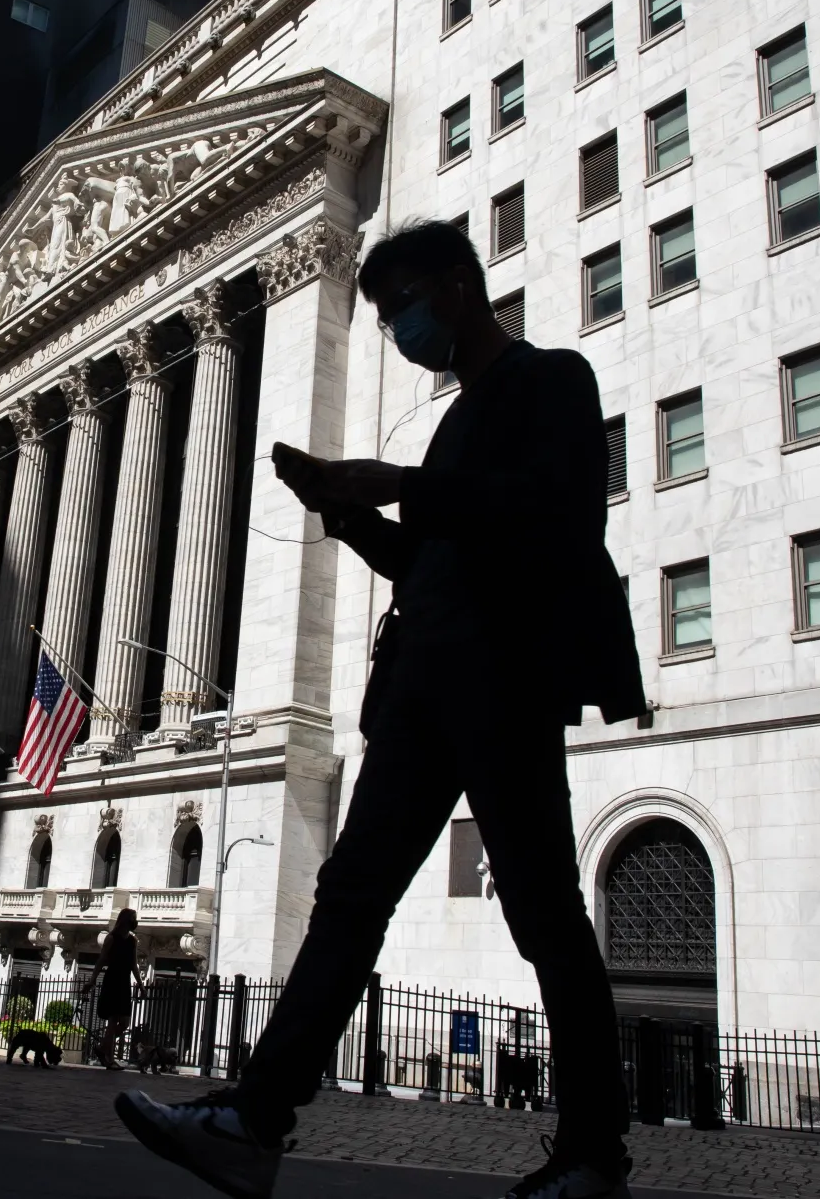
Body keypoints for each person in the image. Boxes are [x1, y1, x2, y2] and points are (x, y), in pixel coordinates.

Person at [116, 221, 645, 1199]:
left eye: (400, 306)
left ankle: (591, 1155)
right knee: (349, 895)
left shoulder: (549, 380)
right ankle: (253, 1121)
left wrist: (401, 485)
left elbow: (557, 510)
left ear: (454, 287)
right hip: (419, 689)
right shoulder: (454, 421)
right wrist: (348, 511)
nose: (398, 330)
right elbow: (427, 558)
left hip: (506, 679)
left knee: (545, 913)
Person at [85, 908, 142, 1071]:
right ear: (125, 920)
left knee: (124, 1023)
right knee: (112, 1020)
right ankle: (109, 1059)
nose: (135, 921)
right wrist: (92, 980)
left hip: (125, 982)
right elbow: (101, 960)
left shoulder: (132, 941)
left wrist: (141, 985)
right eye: (132, 918)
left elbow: (134, 965)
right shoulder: (111, 938)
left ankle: (102, 1047)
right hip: (112, 980)